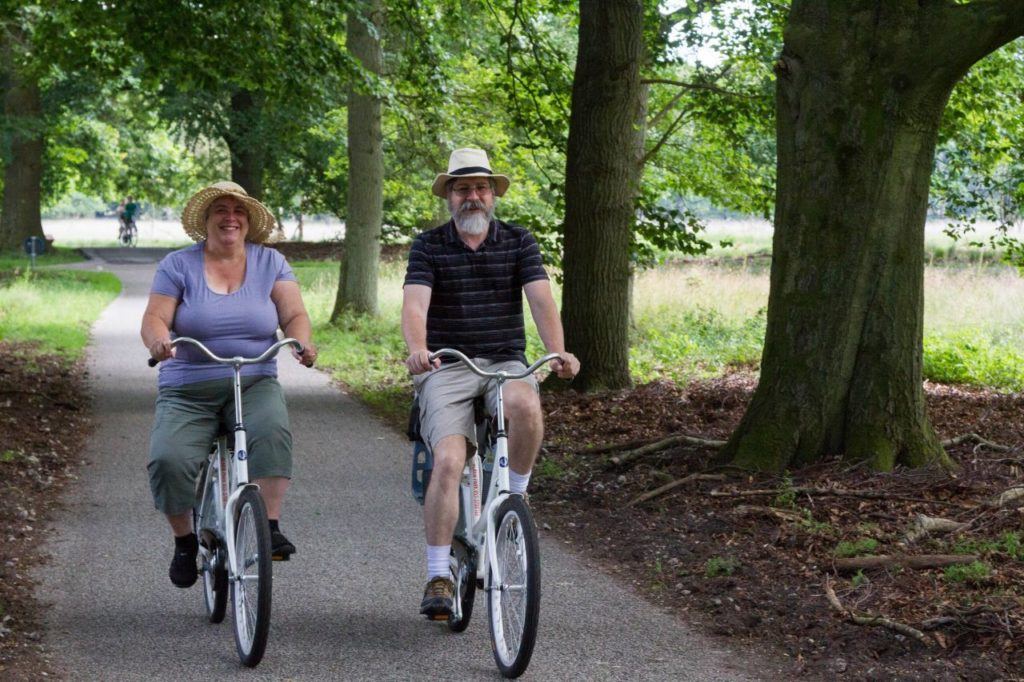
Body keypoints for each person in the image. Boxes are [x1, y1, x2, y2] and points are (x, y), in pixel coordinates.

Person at [402, 148, 580, 620]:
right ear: (449, 196)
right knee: (448, 460)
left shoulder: (519, 241)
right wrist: (418, 350)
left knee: (526, 406)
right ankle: (438, 576)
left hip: (504, 359)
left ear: (493, 194)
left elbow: (541, 300)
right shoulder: (428, 246)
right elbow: (415, 305)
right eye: (463, 188)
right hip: (447, 364)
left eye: (481, 187)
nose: (473, 196)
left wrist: (558, 351)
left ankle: (515, 496)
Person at [140, 180, 318, 588]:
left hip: (253, 379)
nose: (230, 218)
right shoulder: (177, 265)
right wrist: (158, 341)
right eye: (220, 210)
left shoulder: (271, 262)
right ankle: (184, 541)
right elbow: (155, 318)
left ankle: (269, 525)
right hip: (188, 387)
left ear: (249, 221)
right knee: (168, 460)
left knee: (272, 431)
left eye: (238, 211)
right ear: (206, 220)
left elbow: (294, 315)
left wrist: (302, 342)